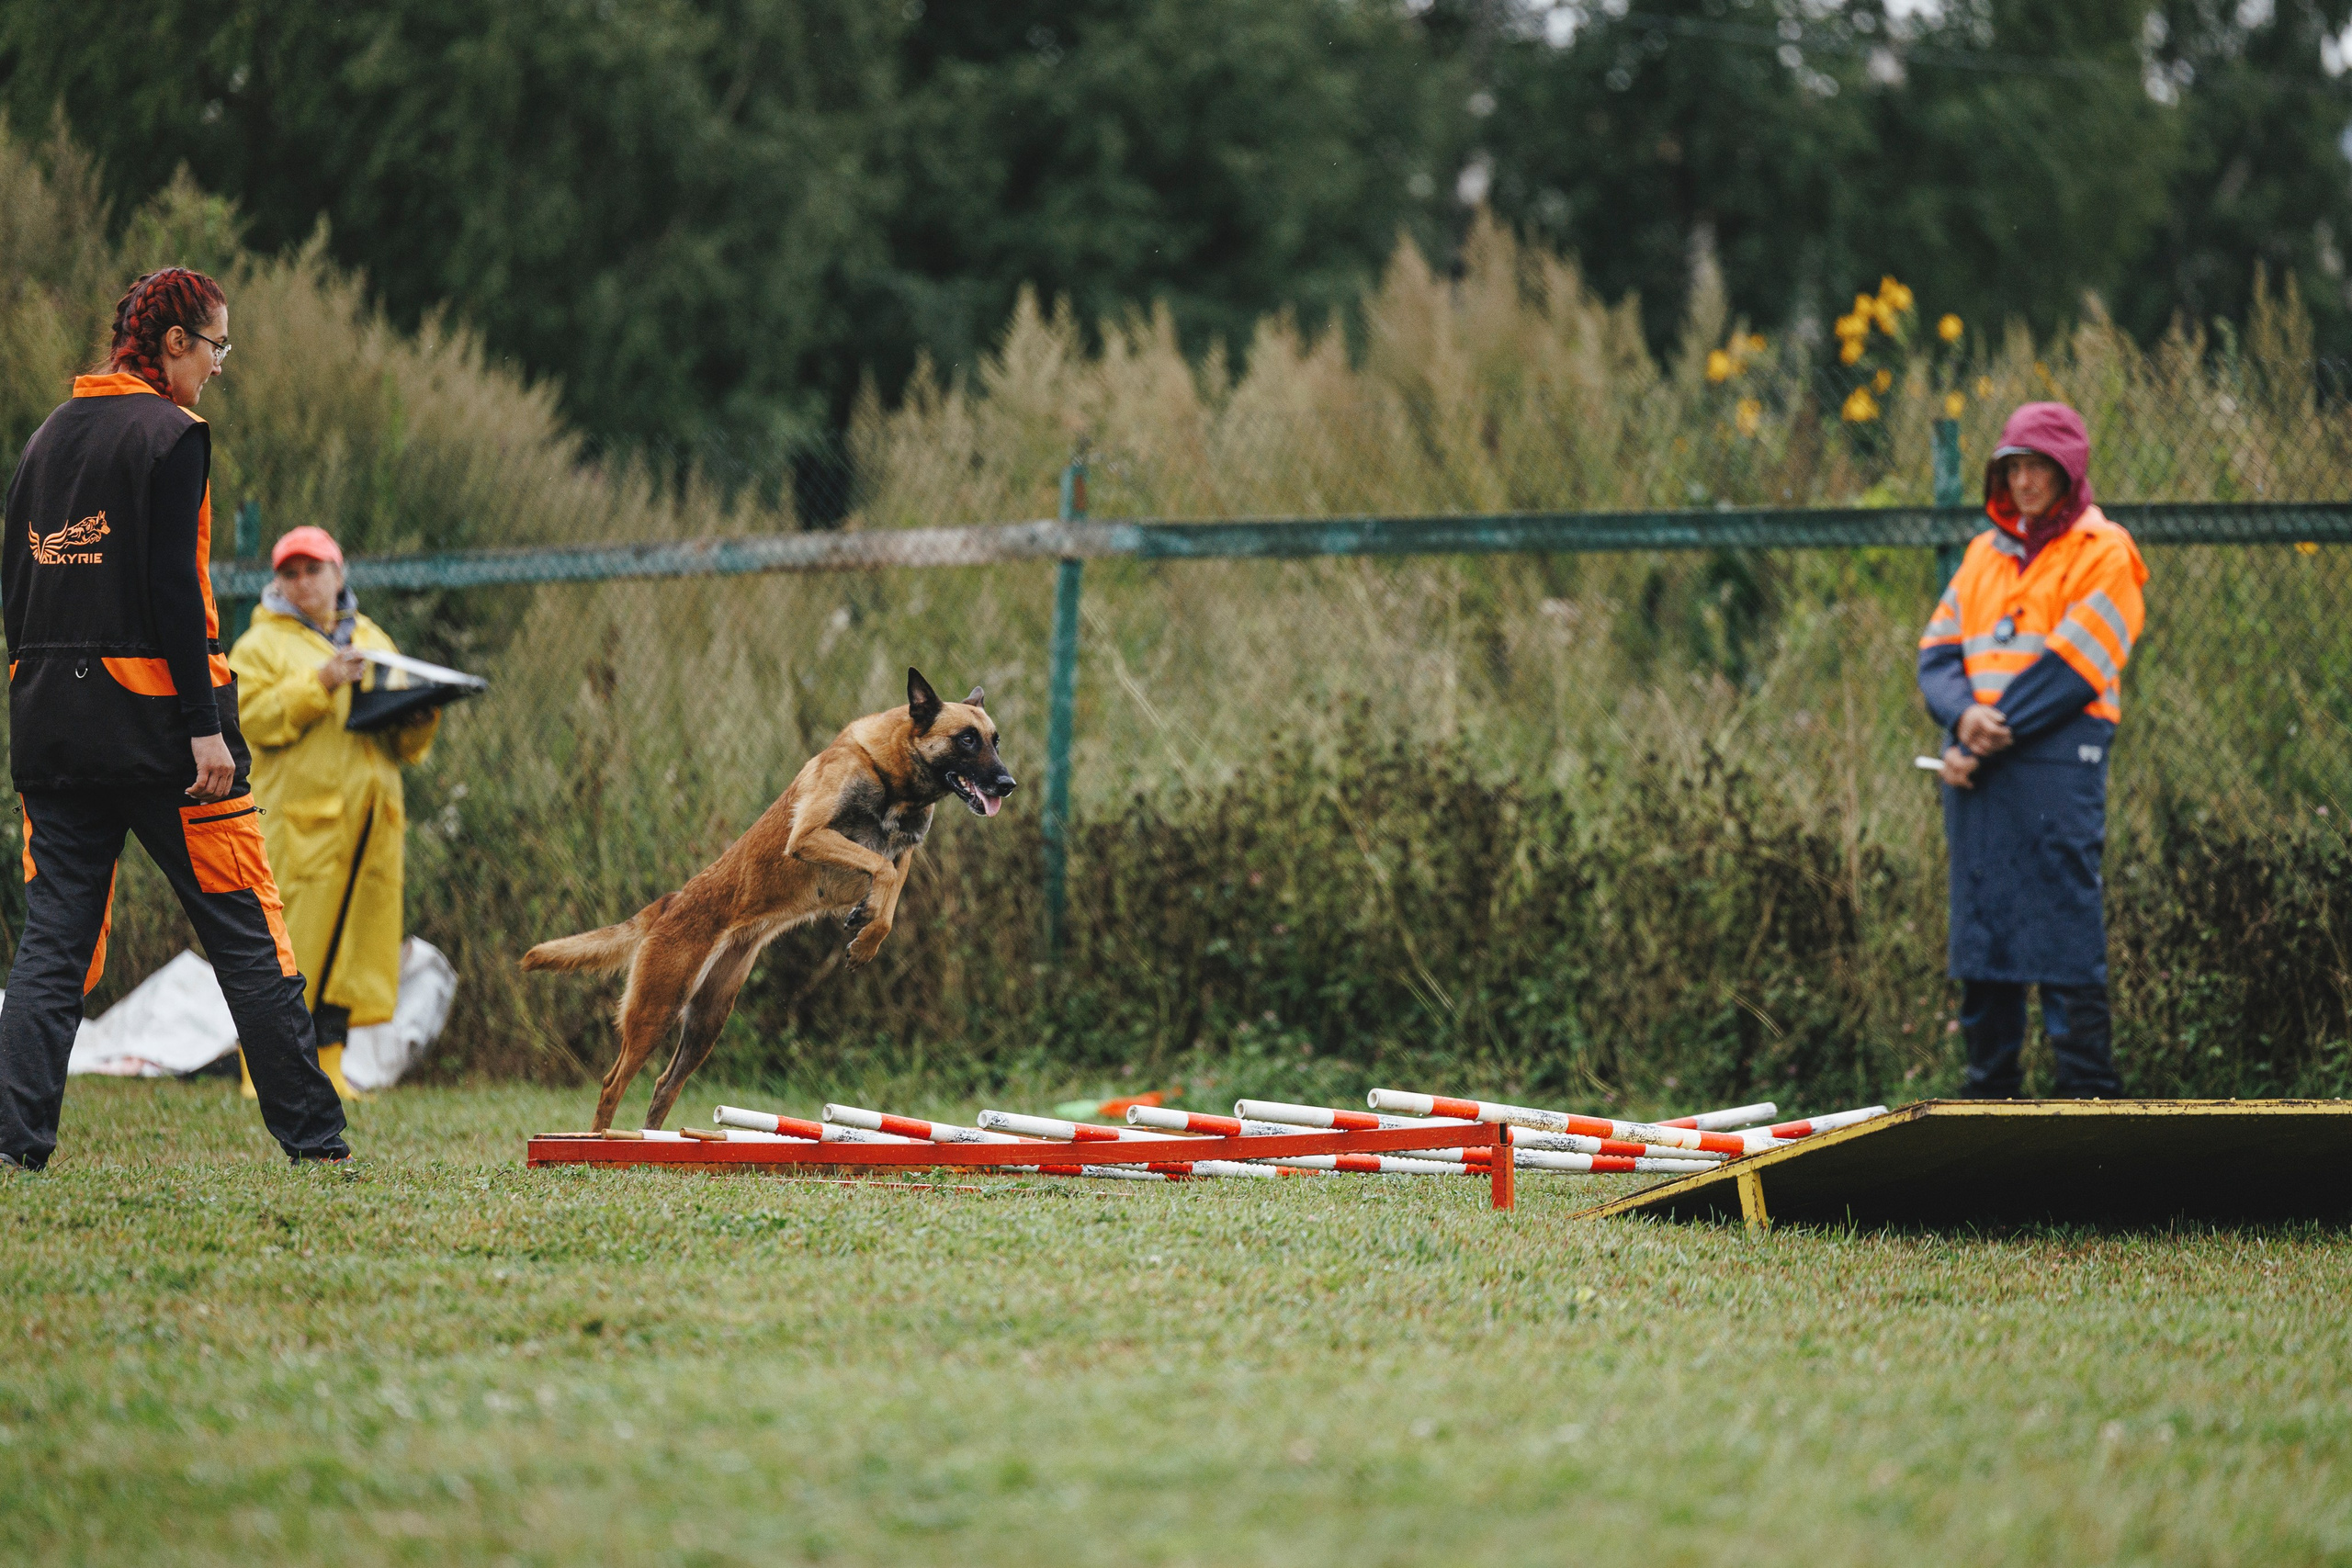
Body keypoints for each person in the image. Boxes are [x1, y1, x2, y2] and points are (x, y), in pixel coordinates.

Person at [0, 268, 347, 1169]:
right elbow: (173, 591)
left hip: (51, 726)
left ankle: (13, 1145)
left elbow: (21, 587)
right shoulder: (172, 435)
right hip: (164, 731)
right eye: (217, 347)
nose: (220, 368)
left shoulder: (44, 441)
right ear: (173, 344)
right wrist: (203, 725)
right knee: (244, 930)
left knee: (53, 944)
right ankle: (315, 1141)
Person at [1917, 401, 2147, 1099]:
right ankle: (1987, 1107)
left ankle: (2092, 1108)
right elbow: (1935, 655)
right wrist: (1962, 720)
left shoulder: (2105, 550)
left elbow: (2074, 668)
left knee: (2064, 932)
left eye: (2035, 466)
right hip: (1979, 763)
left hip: (2054, 761)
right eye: (2011, 467)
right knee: (1982, 940)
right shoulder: (1983, 554)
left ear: (2067, 471)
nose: (2021, 481)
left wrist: (1976, 740)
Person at [230, 526, 439, 1099]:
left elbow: (405, 744)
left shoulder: (372, 637)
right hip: (300, 828)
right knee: (288, 951)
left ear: (338, 574)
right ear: (277, 581)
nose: (303, 583)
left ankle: (330, 1068)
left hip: (370, 829)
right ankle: (263, 1075)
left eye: (313, 570)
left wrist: (424, 713)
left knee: (349, 955)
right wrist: (319, 682)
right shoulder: (258, 646)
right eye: (290, 573)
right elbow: (252, 721)